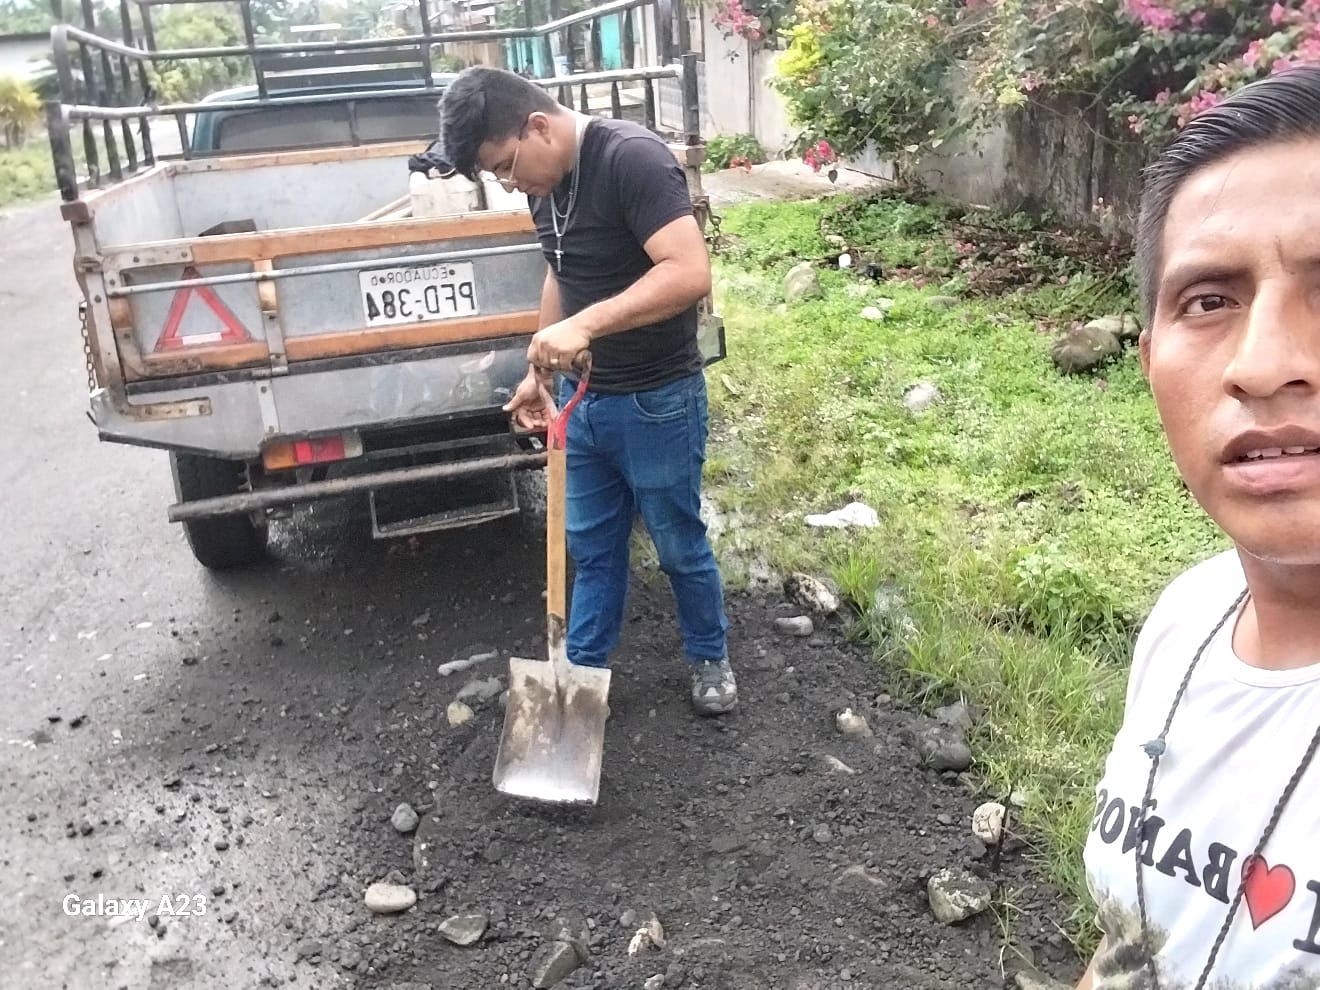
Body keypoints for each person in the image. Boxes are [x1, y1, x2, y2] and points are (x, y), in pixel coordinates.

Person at [1077, 66, 1320, 989]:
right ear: (1149, 364)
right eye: (1210, 300)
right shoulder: (1192, 615)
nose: (1264, 364)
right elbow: (1129, 946)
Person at [438, 67, 736, 716]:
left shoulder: (631, 158)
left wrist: (586, 326)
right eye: (497, 175)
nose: (509, 183)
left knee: (678, 543)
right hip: (582, 401)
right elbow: (560, 269)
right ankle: (580, 674)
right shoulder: (544, 183)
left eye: (506, 166)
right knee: (593, 549)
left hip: (657, 398)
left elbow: (689, 272)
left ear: (537, 126)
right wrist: (540, 368)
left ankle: (709, 653)